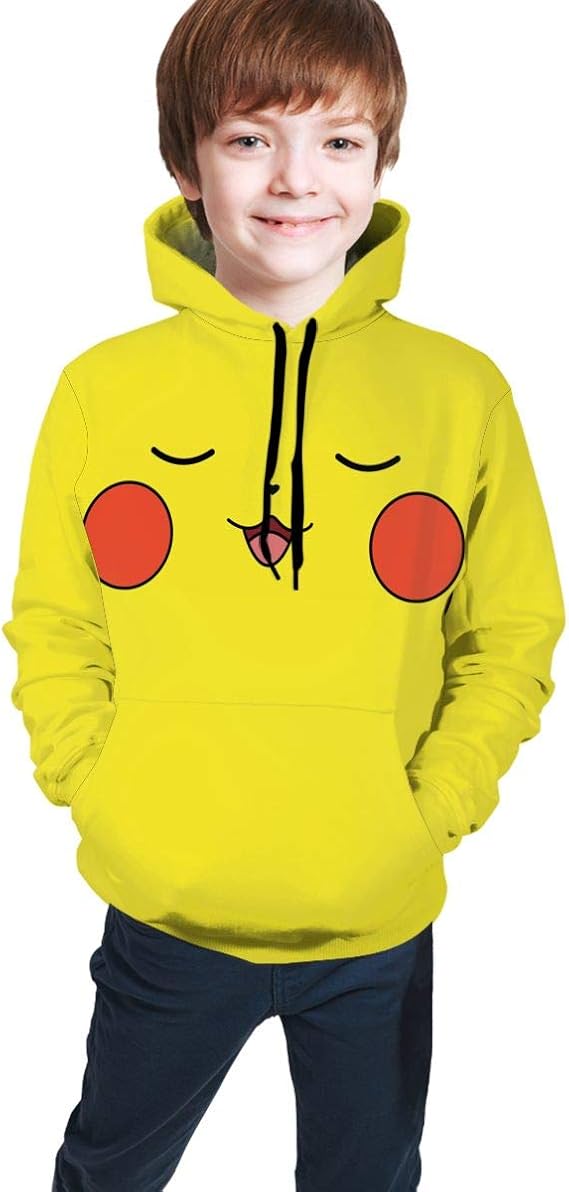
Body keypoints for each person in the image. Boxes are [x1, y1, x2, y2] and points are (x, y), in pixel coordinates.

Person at [3, 1, 565, 1189]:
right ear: (186, 161)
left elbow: (510, 629)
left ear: (382, 156)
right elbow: (56, 619)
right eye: (251, 137)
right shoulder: (102, 389)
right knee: (106, 1170)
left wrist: (429, 808)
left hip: (374, 916)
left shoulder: (459, 393)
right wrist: (99, 786)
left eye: (339, 140)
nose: (296, 179)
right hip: (165, 907)